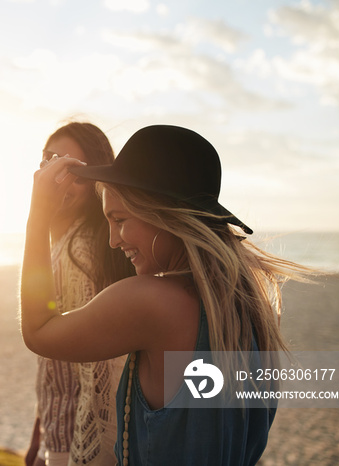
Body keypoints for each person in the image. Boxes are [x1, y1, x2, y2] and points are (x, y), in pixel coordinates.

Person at [20, 125, 312, 465]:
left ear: (164, 215)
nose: (114, 239)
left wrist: (38, 215)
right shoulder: (251, 302)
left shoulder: (152, 302)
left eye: (120, 219)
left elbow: (39, 331)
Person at [24, 122, 135, 466]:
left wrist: (54, 452)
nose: (56, 176)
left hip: (72, 444)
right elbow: (60, 370)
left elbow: (90, 380)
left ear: (97, 181)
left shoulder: (78, 252)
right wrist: (37, 434)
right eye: (49, 160)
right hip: (61, 436)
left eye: (71, 168)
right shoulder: (85, 243)